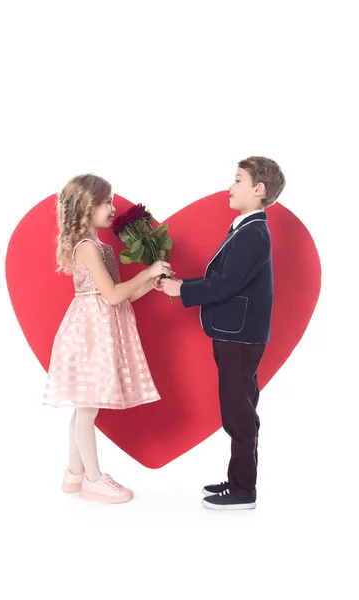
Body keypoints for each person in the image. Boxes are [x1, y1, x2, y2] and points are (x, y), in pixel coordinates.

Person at [158, 156, 286, 510]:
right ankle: (237, 481)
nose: (231, 187)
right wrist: (180, 285)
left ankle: (244, 490)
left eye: (238, 180)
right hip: (237, 333)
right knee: (239, 407)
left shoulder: (254, 232)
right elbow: (221, 281)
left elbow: (226, 285)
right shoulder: (245, 228)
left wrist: (181, 291)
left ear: (258, 190)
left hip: (240, 335)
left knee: (238, 412)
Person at [44, 174, 172, 503]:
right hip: (89, 336)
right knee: (87, 410)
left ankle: (75, 474)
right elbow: (113, 296)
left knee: (85, 408)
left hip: (99, 329)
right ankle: (93, 479)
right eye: (106, 202)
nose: (112, 208)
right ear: (87, 207)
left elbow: (121, 297)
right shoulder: (87, 248)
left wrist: (149, 282)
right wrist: (146, 272)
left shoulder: (98, 246)